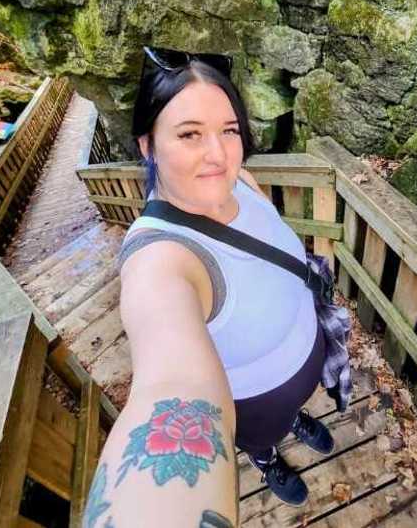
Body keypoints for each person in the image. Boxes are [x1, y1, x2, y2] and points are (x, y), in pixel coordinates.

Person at [83, 46, 339, 525]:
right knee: (263, 435)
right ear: (148, 145)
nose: (218, 154)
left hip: (304, 360)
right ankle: (266, 458)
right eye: (189, 134)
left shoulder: (239, 178)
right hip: (252, 402)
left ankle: (296, 419)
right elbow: (170, 383)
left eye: (229, 131)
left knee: (291, 413)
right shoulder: (161, 260)